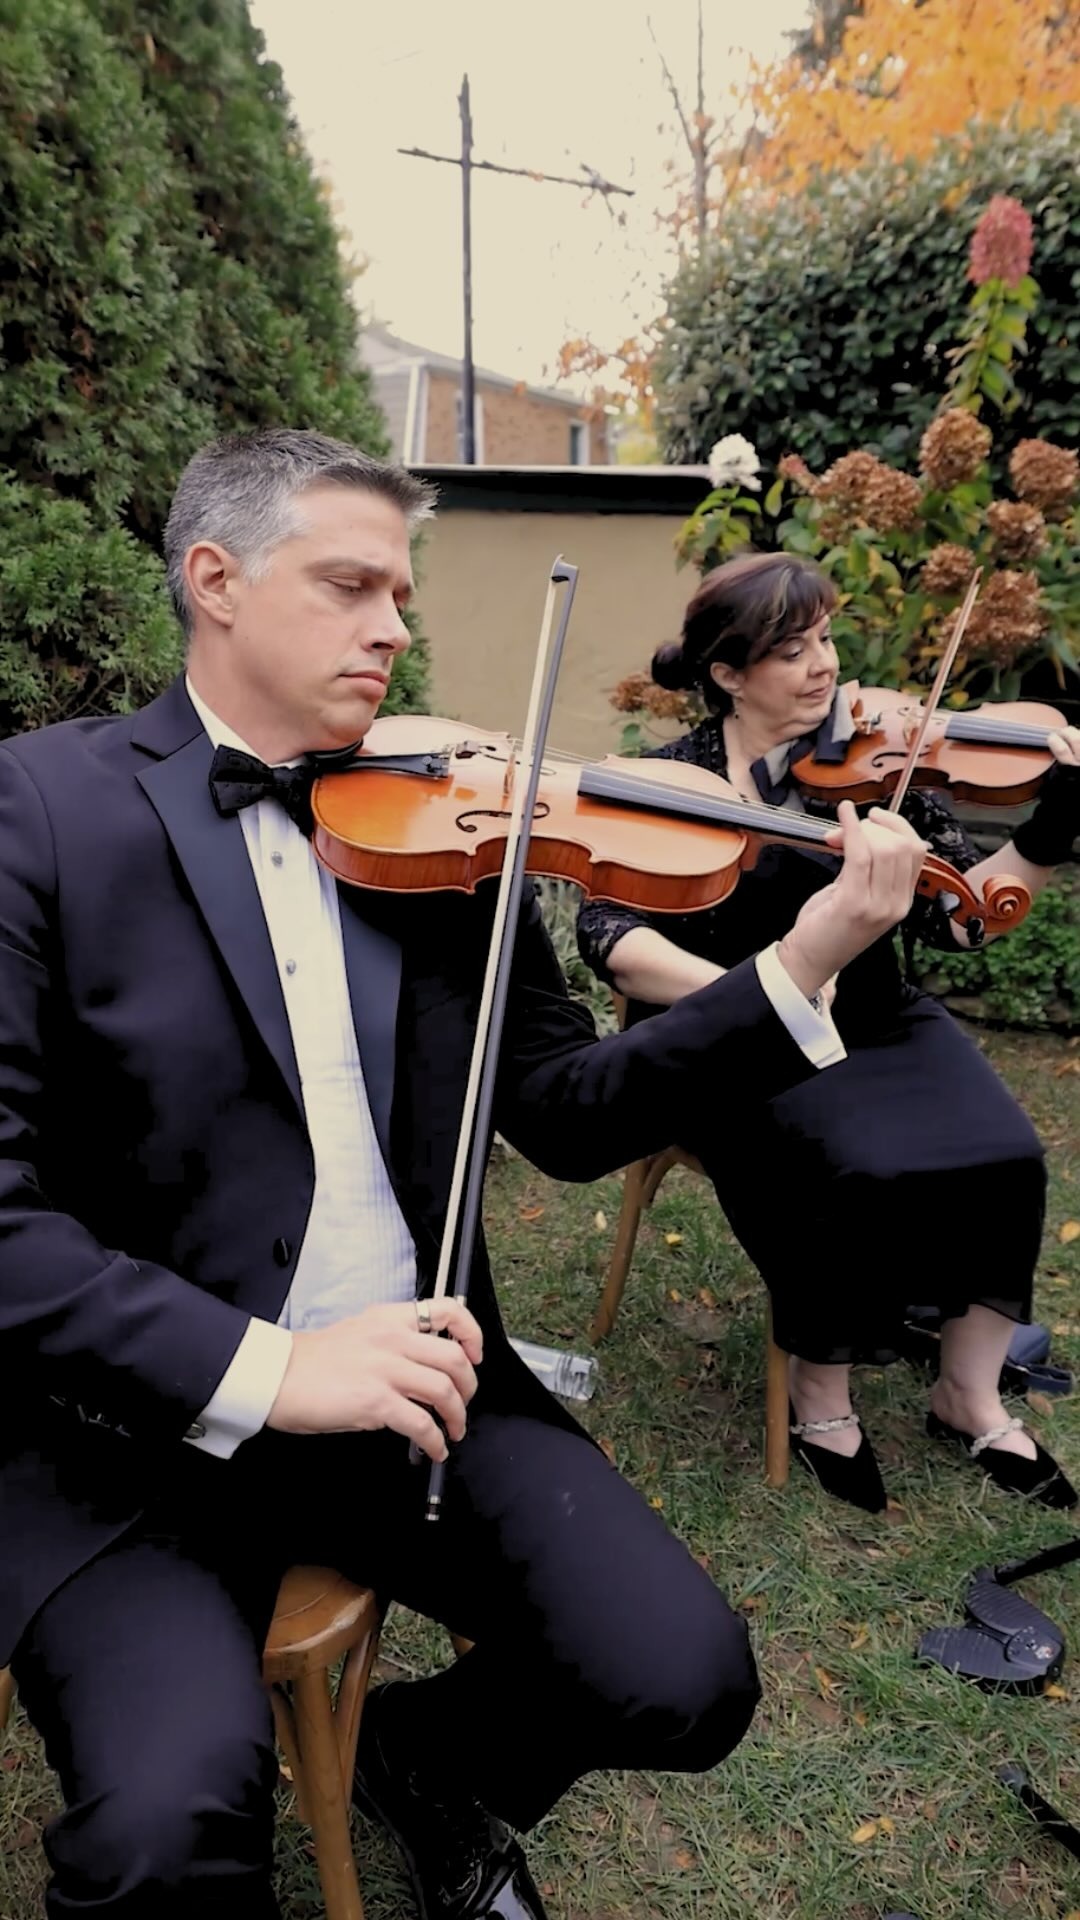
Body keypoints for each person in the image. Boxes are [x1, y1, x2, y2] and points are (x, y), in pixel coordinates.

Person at [0, 431, 930, 1920]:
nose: (393, 626)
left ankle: (427, 1762)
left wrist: (797, 962)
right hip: (128, 1433)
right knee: (168, 1828)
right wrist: (271, 1369)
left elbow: (566, 1110)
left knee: (684, 1676)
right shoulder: (38, 810)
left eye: (403, 593)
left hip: (422, 1388)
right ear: (216, 582)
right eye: (352, 585)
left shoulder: (447, 826)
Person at [576, 549, 1080, 1518]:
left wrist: (1054, 832)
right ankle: (821, 1392)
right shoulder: (667, 781)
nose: (824, 666)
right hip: (735, 1037)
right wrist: (759, 998)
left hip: (877, 1017)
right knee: (843, 1166)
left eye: (824, 640)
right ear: (725, 673)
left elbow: (968, 918)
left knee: (1009, 1151)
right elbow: (617, 944)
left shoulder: (885, 772)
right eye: (791, 649)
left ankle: (965, 1392)